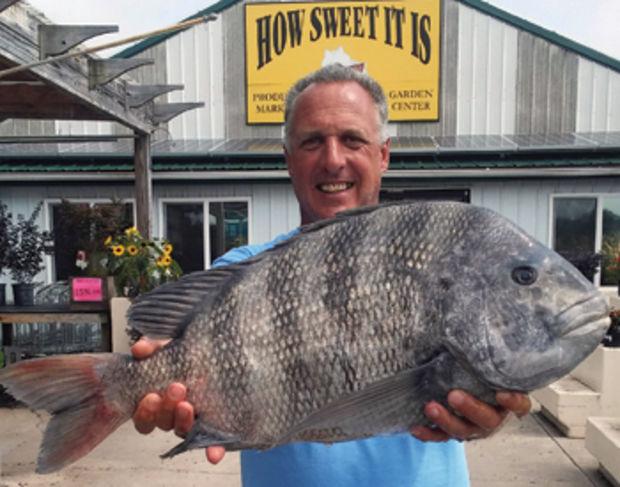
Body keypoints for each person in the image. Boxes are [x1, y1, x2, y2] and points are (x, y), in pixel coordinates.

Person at [131, 64, 531, 486]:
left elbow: (482, 369)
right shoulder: (241, 274)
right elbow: (169, 355)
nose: (333, 159)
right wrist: (153, 386)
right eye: (312, 141)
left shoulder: (440, 261)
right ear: (288, 159)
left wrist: (486, 413)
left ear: (383, 154)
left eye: (353, 139)